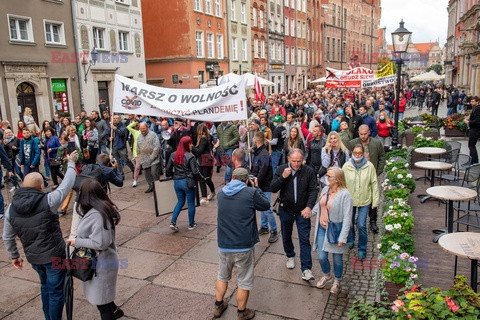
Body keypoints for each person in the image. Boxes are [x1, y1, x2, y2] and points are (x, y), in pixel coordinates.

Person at [2, 151, 78, 319]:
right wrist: (71, 163)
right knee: (56, 291)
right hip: (54, 255)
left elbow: (7, 237)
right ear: (40, 187)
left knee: (45, 286)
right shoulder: (49, 201)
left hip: (34, 257)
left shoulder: (11, 209)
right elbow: (67, 184)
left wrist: (15, 255)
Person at [214, 168, 271, 320]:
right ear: (246, 180)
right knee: (244, 280)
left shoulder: (221, 194)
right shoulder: (250, 193)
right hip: (243, 244)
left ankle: (218, 305)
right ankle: (241, 312)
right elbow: (265, 205)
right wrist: (256, 187)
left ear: (232, 178)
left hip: (224, 243)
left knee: (222, 275)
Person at [66, 179, 124, 320]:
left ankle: (113, 314)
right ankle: (116, 312)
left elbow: (101, 243)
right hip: (101, 263)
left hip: (101, 265)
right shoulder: (98, 209)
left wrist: (77, 241)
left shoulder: (98, 215)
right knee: (103, 298)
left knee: (102, 304)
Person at [270, 148, 318, 281]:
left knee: (304, 239)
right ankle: (290, 255)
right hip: (286, 209)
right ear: (288, 160)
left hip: (302, 211)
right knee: (286, 235)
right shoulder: (281, 169)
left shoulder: (308, 171)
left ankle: (306, 268)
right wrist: (282, 177)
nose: (296, 164)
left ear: (303, 160)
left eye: (298, 161)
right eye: (293, 161)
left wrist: (309, 207)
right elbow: (273, 187)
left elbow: (313, 190)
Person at [312, 168, 353, 294]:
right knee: (321, 256)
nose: (326, 178)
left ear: (337, 179)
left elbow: (348, 217)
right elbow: (319, 204)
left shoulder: (345, 195)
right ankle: (327, 275)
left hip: (335, 231)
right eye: (326, 175)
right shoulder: (325, 189)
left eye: (329, 176)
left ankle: (337, 281)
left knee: (337, 258)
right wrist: (310, 212)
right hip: (322, 229)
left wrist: (343, 237)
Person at [342, 144, 379, 260]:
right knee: (350, 222)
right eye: (355, 153)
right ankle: (351, 239)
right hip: (350, 200)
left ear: (363, 154)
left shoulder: (369, 166)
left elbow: (374, 183)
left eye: (360, 153)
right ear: (352, 153)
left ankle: (362, 248)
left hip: (364, 199)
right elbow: (342, 183)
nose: (357, 155)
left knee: (362, 224)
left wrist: (375, 200)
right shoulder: (346, 166)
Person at [347, 124, 386, 233]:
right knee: (357, 193)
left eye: (365, 134)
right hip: (356, 175)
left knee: (373, 196)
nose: (363, 136)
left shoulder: (376, 143)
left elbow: (382, 157)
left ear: (369, 132)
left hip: (371, 174)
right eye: (361, 134)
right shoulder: (353, 143)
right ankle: (356, 217)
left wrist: (378, 171)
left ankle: (373, 220)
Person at [166, 136, 203, 230]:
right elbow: (195, 172)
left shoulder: (173, 155)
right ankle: (191, 224)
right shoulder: (190, 156)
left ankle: (173, 222)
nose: (191, 145)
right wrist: (202, 179)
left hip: (177, 182)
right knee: (191, 203)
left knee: (180, 202)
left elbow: (167, 169)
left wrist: (173, 175)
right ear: (187, 144)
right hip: (188, 181)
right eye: (190, 143)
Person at [251, 132, 277, 243]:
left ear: (256, 141)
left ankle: (274, 230)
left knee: (266, 208)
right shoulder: (259, 152)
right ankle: (264, 226)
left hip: (264, 185)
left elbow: (263, 171)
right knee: (262, 206)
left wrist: (256, 181)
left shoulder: (264, 154)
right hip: (261, 184)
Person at [192, 124, 216, 205]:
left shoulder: (203, 139)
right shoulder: (206, 138)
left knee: (204, 179)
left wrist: (192, 147)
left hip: (204, 161)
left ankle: (205, 196)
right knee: (205, 178)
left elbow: (199, 151)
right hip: (205, 160)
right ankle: (210, 193)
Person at [136, 122, 160, 193]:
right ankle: (151, 186)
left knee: (154, 172)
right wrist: (139, 156)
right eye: (141, 128)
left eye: (144, 128)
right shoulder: (139, 136)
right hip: (144, 158)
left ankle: (157, 186)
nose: (142, 130)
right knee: (147, 174)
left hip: (154, 158)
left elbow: (157, 146)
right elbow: (137, 147)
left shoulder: (153, 135)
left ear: (147, 127)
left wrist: (153, 156)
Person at [465, 96, 480, 164]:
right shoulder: (476, 108)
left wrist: (468, 122)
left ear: (477, 102)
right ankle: (473, 160)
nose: (471, 103)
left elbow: (478, 121)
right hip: (474, 129)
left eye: (473, 101)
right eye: (471, 101)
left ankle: (473, 161)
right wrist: (470, 120)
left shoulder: (478, 109)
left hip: (475, 130)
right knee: (471, 145)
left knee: (471, 145)